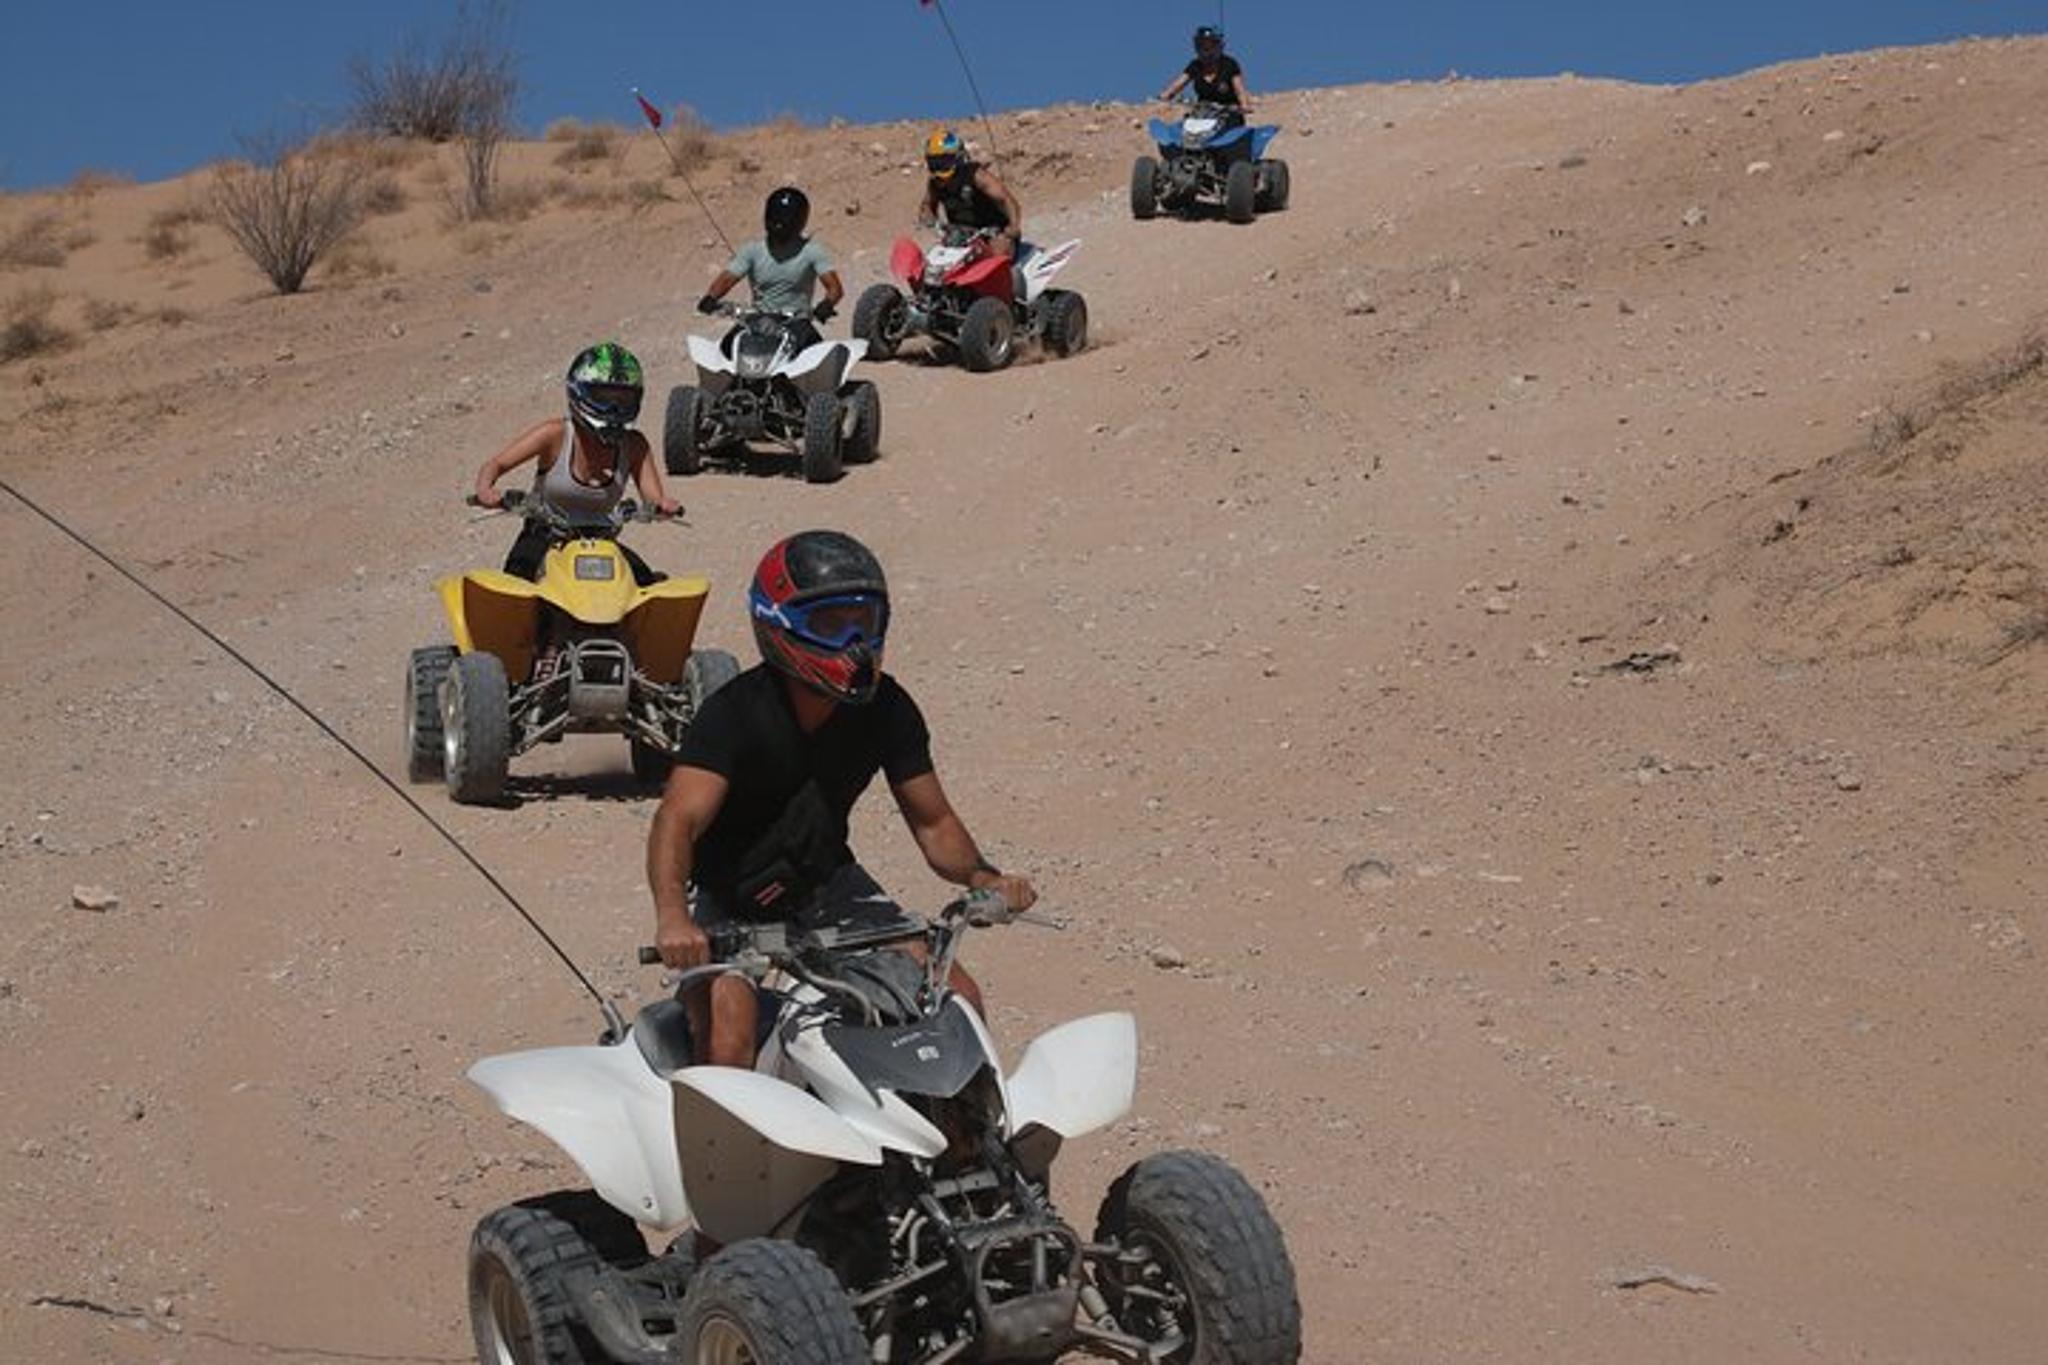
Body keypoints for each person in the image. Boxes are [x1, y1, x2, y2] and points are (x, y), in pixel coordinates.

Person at [646, 530, 1036, 1068]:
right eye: (831, 624)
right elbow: (677, 820)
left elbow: (934, 823)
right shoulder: (733, 714)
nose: (855, 642)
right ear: (777, 624)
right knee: (728, 1037)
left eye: (865, 622)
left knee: (955, 1000)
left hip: (828, 882)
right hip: (731, 898)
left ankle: (972, 1142)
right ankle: (720, 1151)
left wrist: (984, 879)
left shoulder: (887, 707)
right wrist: (674, 919)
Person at [471, 342, 678, 586]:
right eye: (603, 397)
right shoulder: (554, 435)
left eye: (624, 399)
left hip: (602, 545)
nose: (614, 408)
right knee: (511, 598)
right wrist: (485, 490)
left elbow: (653, 498)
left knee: (647, 593)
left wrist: (664, 506)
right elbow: (496, 463)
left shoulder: (634, 444)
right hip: (544, 537)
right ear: (578, 391)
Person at [697, 186, 843, 353]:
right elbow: (728, 279)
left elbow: (834, 288)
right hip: (758, 320)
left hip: (797, 322)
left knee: (817, 358)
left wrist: (826, 304)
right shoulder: (752, 250)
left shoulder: (812, 251)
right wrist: (711, 297)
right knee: (726, 351)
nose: (779, 226)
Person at [918, 129, 1024, 265]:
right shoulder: (934, 183)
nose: (938, 169)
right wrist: (930, 220)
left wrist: (1013, 227)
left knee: (998, 252)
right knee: (937, 260)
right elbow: (927, 205)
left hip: (993, 232)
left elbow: (1006, 199)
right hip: (961, 235)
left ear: (957, 158)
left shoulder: (977, 176)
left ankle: (1006, 282)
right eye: (934, 163)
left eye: (943, 162)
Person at [1158, 25, 1254, 119]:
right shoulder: (1195, 65)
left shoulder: (1229, 64)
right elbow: (1178, 84)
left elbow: (1239, 90)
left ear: (1220, 47)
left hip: (1229, 114)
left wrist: (1244, 106)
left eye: (1210, 47)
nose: (1206, 52)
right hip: (1204, 113)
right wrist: (1165, 96)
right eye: (1201, 46)